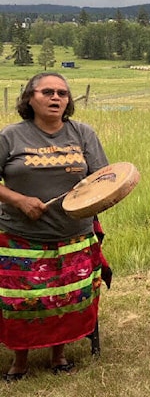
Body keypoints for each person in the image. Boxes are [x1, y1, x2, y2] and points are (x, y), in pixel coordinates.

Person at [0, 73, 109, 381]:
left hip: (72, 235)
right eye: (47, 92)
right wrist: (20, 200)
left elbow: (103, 177)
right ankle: (19, 361)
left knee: (65, 296)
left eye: (62, 93)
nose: (56, 98)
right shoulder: (11, 136)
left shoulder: (83, 134)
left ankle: (58, 355)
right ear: (29, 98)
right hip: (20, 236)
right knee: (21, 301)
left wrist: (102, 197)